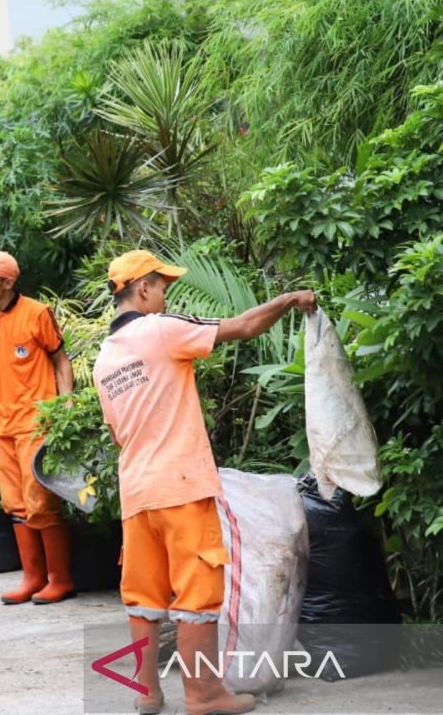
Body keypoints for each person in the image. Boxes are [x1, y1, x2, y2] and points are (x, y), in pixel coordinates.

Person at [93, 249, 316, 715]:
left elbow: (118, 434)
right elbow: (244, 326)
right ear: (143, 288)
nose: (165, 293)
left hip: (137, 492)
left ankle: (147, 693)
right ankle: (204, 695)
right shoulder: (160, 329)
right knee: (198, 593)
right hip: (181, 485)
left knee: (144, 595)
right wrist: (288, 299)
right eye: (162, 285)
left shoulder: (105, 359)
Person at [0, 250, 77, 606]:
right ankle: (32, 578)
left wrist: (66, 404)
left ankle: (61, 579)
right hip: (2, 425)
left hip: (36, 423)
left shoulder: (37, 313)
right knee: (14, 504)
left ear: (8, 283)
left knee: (41, 503)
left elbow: (61, 359)